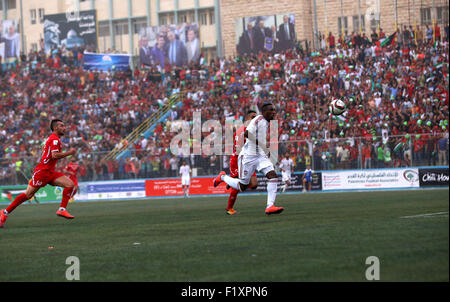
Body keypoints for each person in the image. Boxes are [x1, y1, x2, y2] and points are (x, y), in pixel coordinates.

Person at [1, 119, 77, 228]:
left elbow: (44, 149)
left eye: (64, 126)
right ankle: (4, 212)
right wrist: (70, 153)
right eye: (62, 126)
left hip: (49, 171)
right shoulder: (54, 140)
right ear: (55, 128)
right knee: (28, 195)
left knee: (70, 184)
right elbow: (54, 155)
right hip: (42, 172)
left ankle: (62, 209)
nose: (64, 128)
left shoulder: (51, 139)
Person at [214, 103, 284, 215]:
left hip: (260, 156)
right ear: (265, 111)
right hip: (248, 157)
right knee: (242, 186)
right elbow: (247, 133)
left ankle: (270, 206)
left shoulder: (267, 122)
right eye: (271, 110)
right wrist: (262, 144)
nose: (274, 112)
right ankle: (222, 177)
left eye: (274, 110)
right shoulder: (258, 120)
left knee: (272, 175)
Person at [225, 110, 258, 215]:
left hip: (247, 160)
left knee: (254, 185)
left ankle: (231, 181)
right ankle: (229, 208)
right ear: (247, 118)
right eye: (253, 117)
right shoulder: (245, 130)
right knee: (238, 186)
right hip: (238, 160)